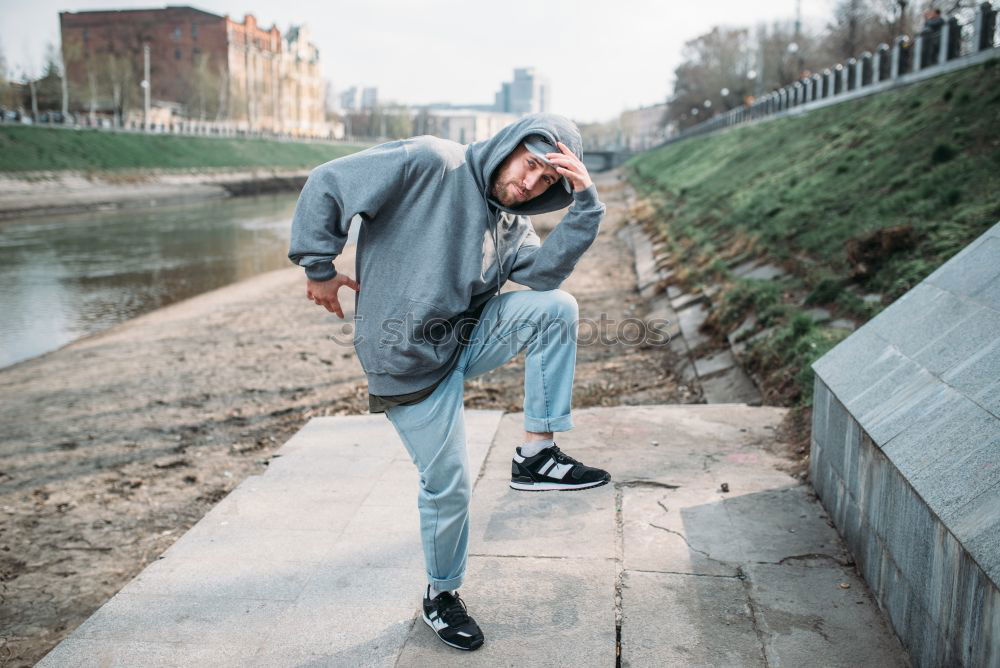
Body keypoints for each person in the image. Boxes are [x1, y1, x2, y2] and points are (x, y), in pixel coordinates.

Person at [288, 112, 611, 652]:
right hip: (407, 358)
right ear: (510, 146)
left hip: (465, 337)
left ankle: (537, 454)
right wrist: (319, 265)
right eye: (531, 164)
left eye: (549, 181)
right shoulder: (431, 161)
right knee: (449, 485)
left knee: (557, 307)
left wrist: (587, 207)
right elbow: (328, 181)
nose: (531, 183)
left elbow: (542, 277)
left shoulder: (513, 224)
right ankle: (442, 595)